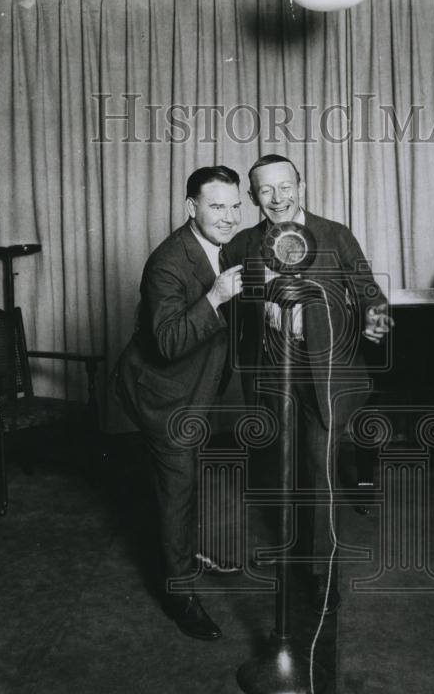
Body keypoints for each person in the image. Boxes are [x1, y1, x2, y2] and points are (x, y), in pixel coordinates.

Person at [224, 155, 391, 614]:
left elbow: (369, 291)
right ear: (253, 197)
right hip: (273, 371)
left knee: (318, 471)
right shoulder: (242, 244)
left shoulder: (336, 234)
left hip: (327, 373)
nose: (277, 199)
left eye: (285, 187)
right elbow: (225, 300)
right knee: (284, 467)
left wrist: (378, 320)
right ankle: (296, 551)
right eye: (265, 191)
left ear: (302, 185)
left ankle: (320, 576)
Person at [111, 166, 244, 641]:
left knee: (187, 483)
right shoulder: (168, 262)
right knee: (178, 489)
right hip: (161, 393)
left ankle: (187, 553)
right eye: (216, 206)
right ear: (191, 208)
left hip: (196, 388)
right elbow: (166, 341)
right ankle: (179, 593)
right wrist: (216, 296)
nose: (228, 217)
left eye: (234, 206)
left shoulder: (223, 245)